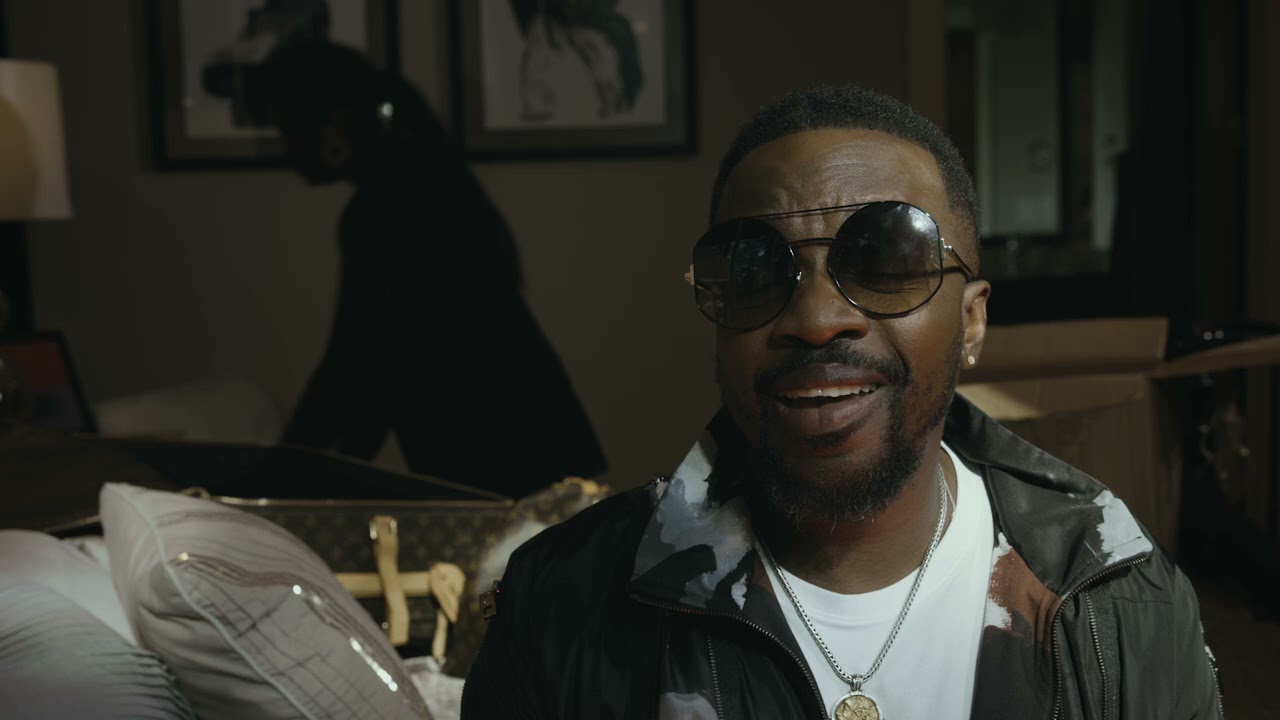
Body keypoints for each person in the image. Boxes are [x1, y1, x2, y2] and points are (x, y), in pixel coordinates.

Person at [462, 85, 1224, 718]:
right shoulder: (560, 605)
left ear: (971, 322)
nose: (818, 319)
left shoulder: (1119, 598)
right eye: (755, 269)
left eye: (887, 260)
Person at [250, 42, 606, 498]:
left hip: (502, 451)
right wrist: (312, 472)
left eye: (287, 129)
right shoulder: (414, 181)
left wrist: (284, 478)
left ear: (330, 125)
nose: (285, 147)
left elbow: (356, 358)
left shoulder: (388, 201)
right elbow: (374, 361)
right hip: (524, 441)